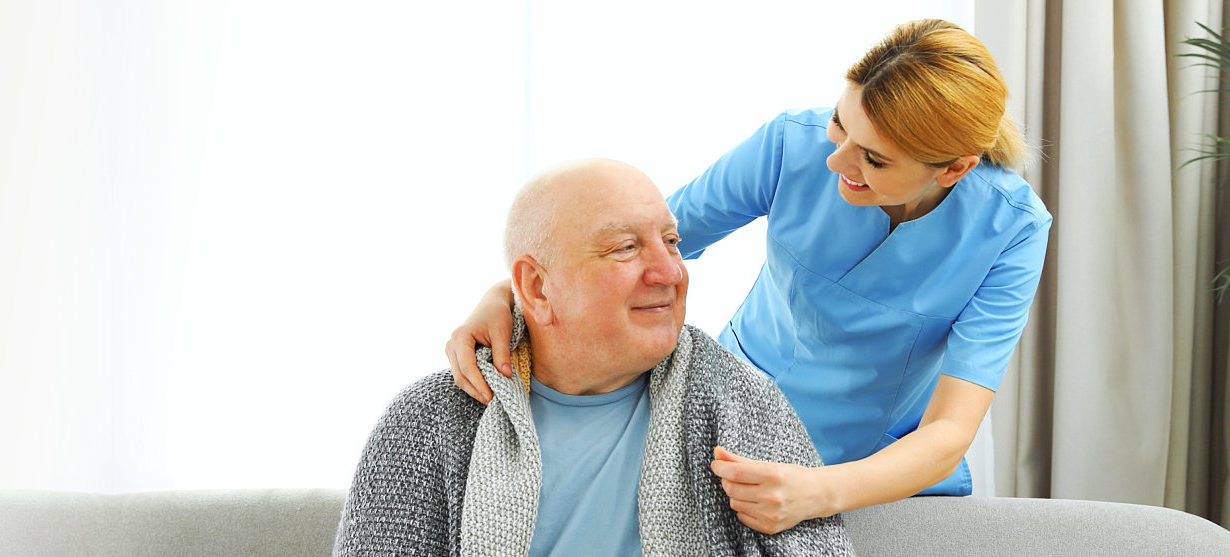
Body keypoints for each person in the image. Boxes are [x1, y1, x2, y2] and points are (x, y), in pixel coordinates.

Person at [443, 19, 1051, 535]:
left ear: (955, 169)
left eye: (875, 158)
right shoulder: (793, 143)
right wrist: (514, 293)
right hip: (729, 424)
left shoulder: (1012, 230)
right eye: (842, 124)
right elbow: (642, 247)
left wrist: (820, 492)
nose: (836, 160)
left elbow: (950, 428)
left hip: (876, 468)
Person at [334, 159, 853, 556]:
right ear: (535, 287)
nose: (670, 272)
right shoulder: (428, 422)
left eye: (671, 241)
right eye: (625, 248)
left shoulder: (742, 404)